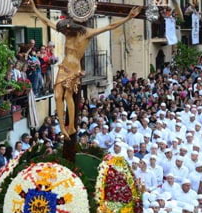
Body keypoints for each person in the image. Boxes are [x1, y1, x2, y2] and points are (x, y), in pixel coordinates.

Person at [30, 0, 141, 139]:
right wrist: (35, 9)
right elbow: (47, 22)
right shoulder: (67, 33)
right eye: (63, 30)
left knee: (67, 96)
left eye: (65, 30)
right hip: (63, 67)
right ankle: (63, 126)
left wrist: (128, 17)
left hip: (74, 68)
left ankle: (71, 126)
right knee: (57, 96)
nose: (64, 32)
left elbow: (110, 26)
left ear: (71, 27)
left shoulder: (87, 33)